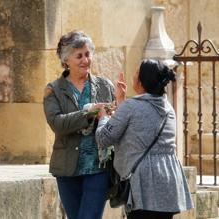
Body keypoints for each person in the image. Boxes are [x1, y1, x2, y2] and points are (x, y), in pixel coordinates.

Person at [95, 59, 194, 219]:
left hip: (143, 182)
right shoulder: (168, 108)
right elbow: (139, 127)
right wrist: (121, 101)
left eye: (136, 73)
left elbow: (104, 138)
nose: (133, 76)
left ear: (142, 81)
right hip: (168, 180)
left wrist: (103, 118)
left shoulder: (131, 107)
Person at [43, 30, 116, 219]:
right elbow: (57, 123)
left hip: (98, 168)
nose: (85, 60)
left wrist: (119, 107)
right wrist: (90, 113)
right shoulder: (54, 90)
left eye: (87, 54)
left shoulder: (105, 86)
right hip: (67, 169)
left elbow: (116, 124)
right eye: (79, 56)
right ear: (66, 60)